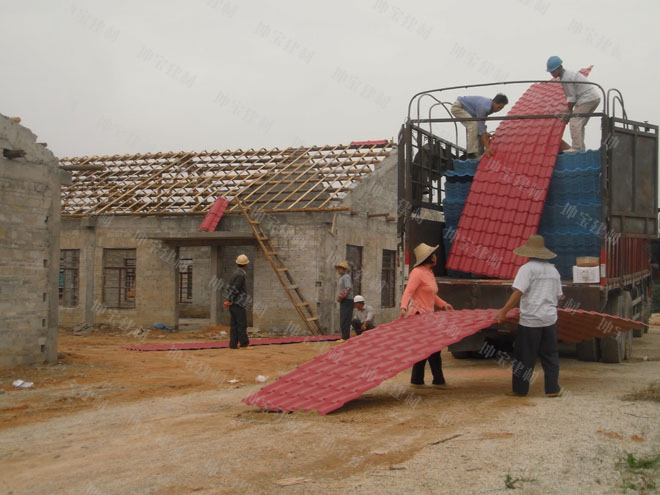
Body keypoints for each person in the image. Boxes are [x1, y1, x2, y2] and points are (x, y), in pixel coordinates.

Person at [496, 235, 563, 397]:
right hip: (549, 319)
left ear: (529, 252)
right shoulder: (553, 270)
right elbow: (559, 296)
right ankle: (553, 389)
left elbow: (518, 291)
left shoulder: (527, 269)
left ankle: (520, 389)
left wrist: (503, 311)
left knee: (524, 356)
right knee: (550, 355)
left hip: (530, 320)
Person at [400, 243, 454, 387]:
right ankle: (438, 380)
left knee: (425, 349)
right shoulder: (417, 272)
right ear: (429, 259)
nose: (436, 257)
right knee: (433, 348)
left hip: (429, 316)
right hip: (418, 315)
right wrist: (403, 307)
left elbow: (432, 295)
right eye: (434, 255)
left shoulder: (429, 273)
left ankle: (418, 380)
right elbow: (409, 291)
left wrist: (444, 304)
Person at [546, 56, 601, 152]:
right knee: (580, 123)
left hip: (587, 99)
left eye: (553, 71)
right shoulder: (567, 75)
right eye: (551, 71)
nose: (552, 73)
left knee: (574, 120)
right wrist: (569, 110)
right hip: (593, 98)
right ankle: (581, 148)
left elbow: (571, 98)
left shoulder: (566, 78)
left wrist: (568, 112)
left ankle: (577, 148)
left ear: (559, 68)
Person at [450, 94, 509, 159]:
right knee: (473, 125)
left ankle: (479, 153)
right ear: (494, 102)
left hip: (467, 111)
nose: (499, 110)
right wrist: (487, 147)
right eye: (499, 107)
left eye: (501, 108)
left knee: (480, 129)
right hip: (458, 108)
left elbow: (482, 126)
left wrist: (485, 133)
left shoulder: (490, 107)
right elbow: (481, 129)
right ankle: (472, 153)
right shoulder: (484, 107)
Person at [226, 254, 250, 349]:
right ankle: (244, 343)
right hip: (238, 303)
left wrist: (229, 300)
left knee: (234, 324)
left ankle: (233, 344)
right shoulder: (240, 275)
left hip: (233, 303)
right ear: (245, 265)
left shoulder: (235, 273)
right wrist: (231, 299)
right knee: (241, 323)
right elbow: (235, 289)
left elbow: (230, 289)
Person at [335, 260, 354, 343]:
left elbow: (347, 288)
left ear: (344, 269)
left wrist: (340, 296)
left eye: (340, 268)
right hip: (344, 300)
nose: (339, 270)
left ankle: (345, 337)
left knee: (345, 319)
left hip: (347, 300)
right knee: (343, 318)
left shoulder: (346, 277)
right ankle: (344, 336)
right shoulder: (342, 277)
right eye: (338, 268)